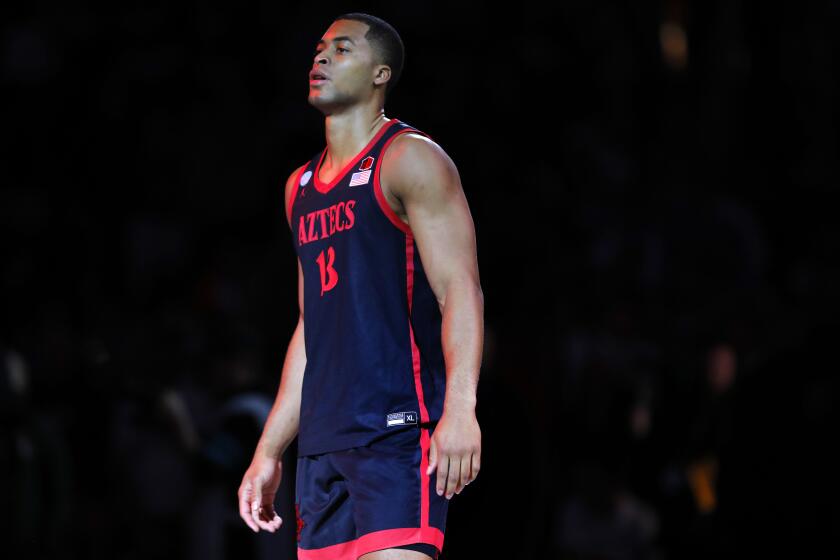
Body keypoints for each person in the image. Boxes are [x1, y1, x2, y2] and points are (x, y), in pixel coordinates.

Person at [237, 12, 484, 560]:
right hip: (323, 447)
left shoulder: (409, 158)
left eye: (342, 49)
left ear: (380, 74)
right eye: (319, 48)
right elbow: (311, 329)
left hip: (395, 433)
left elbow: (460, 289)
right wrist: (270, 448)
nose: (320, 57)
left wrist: (461, 408)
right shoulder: (299, 187)